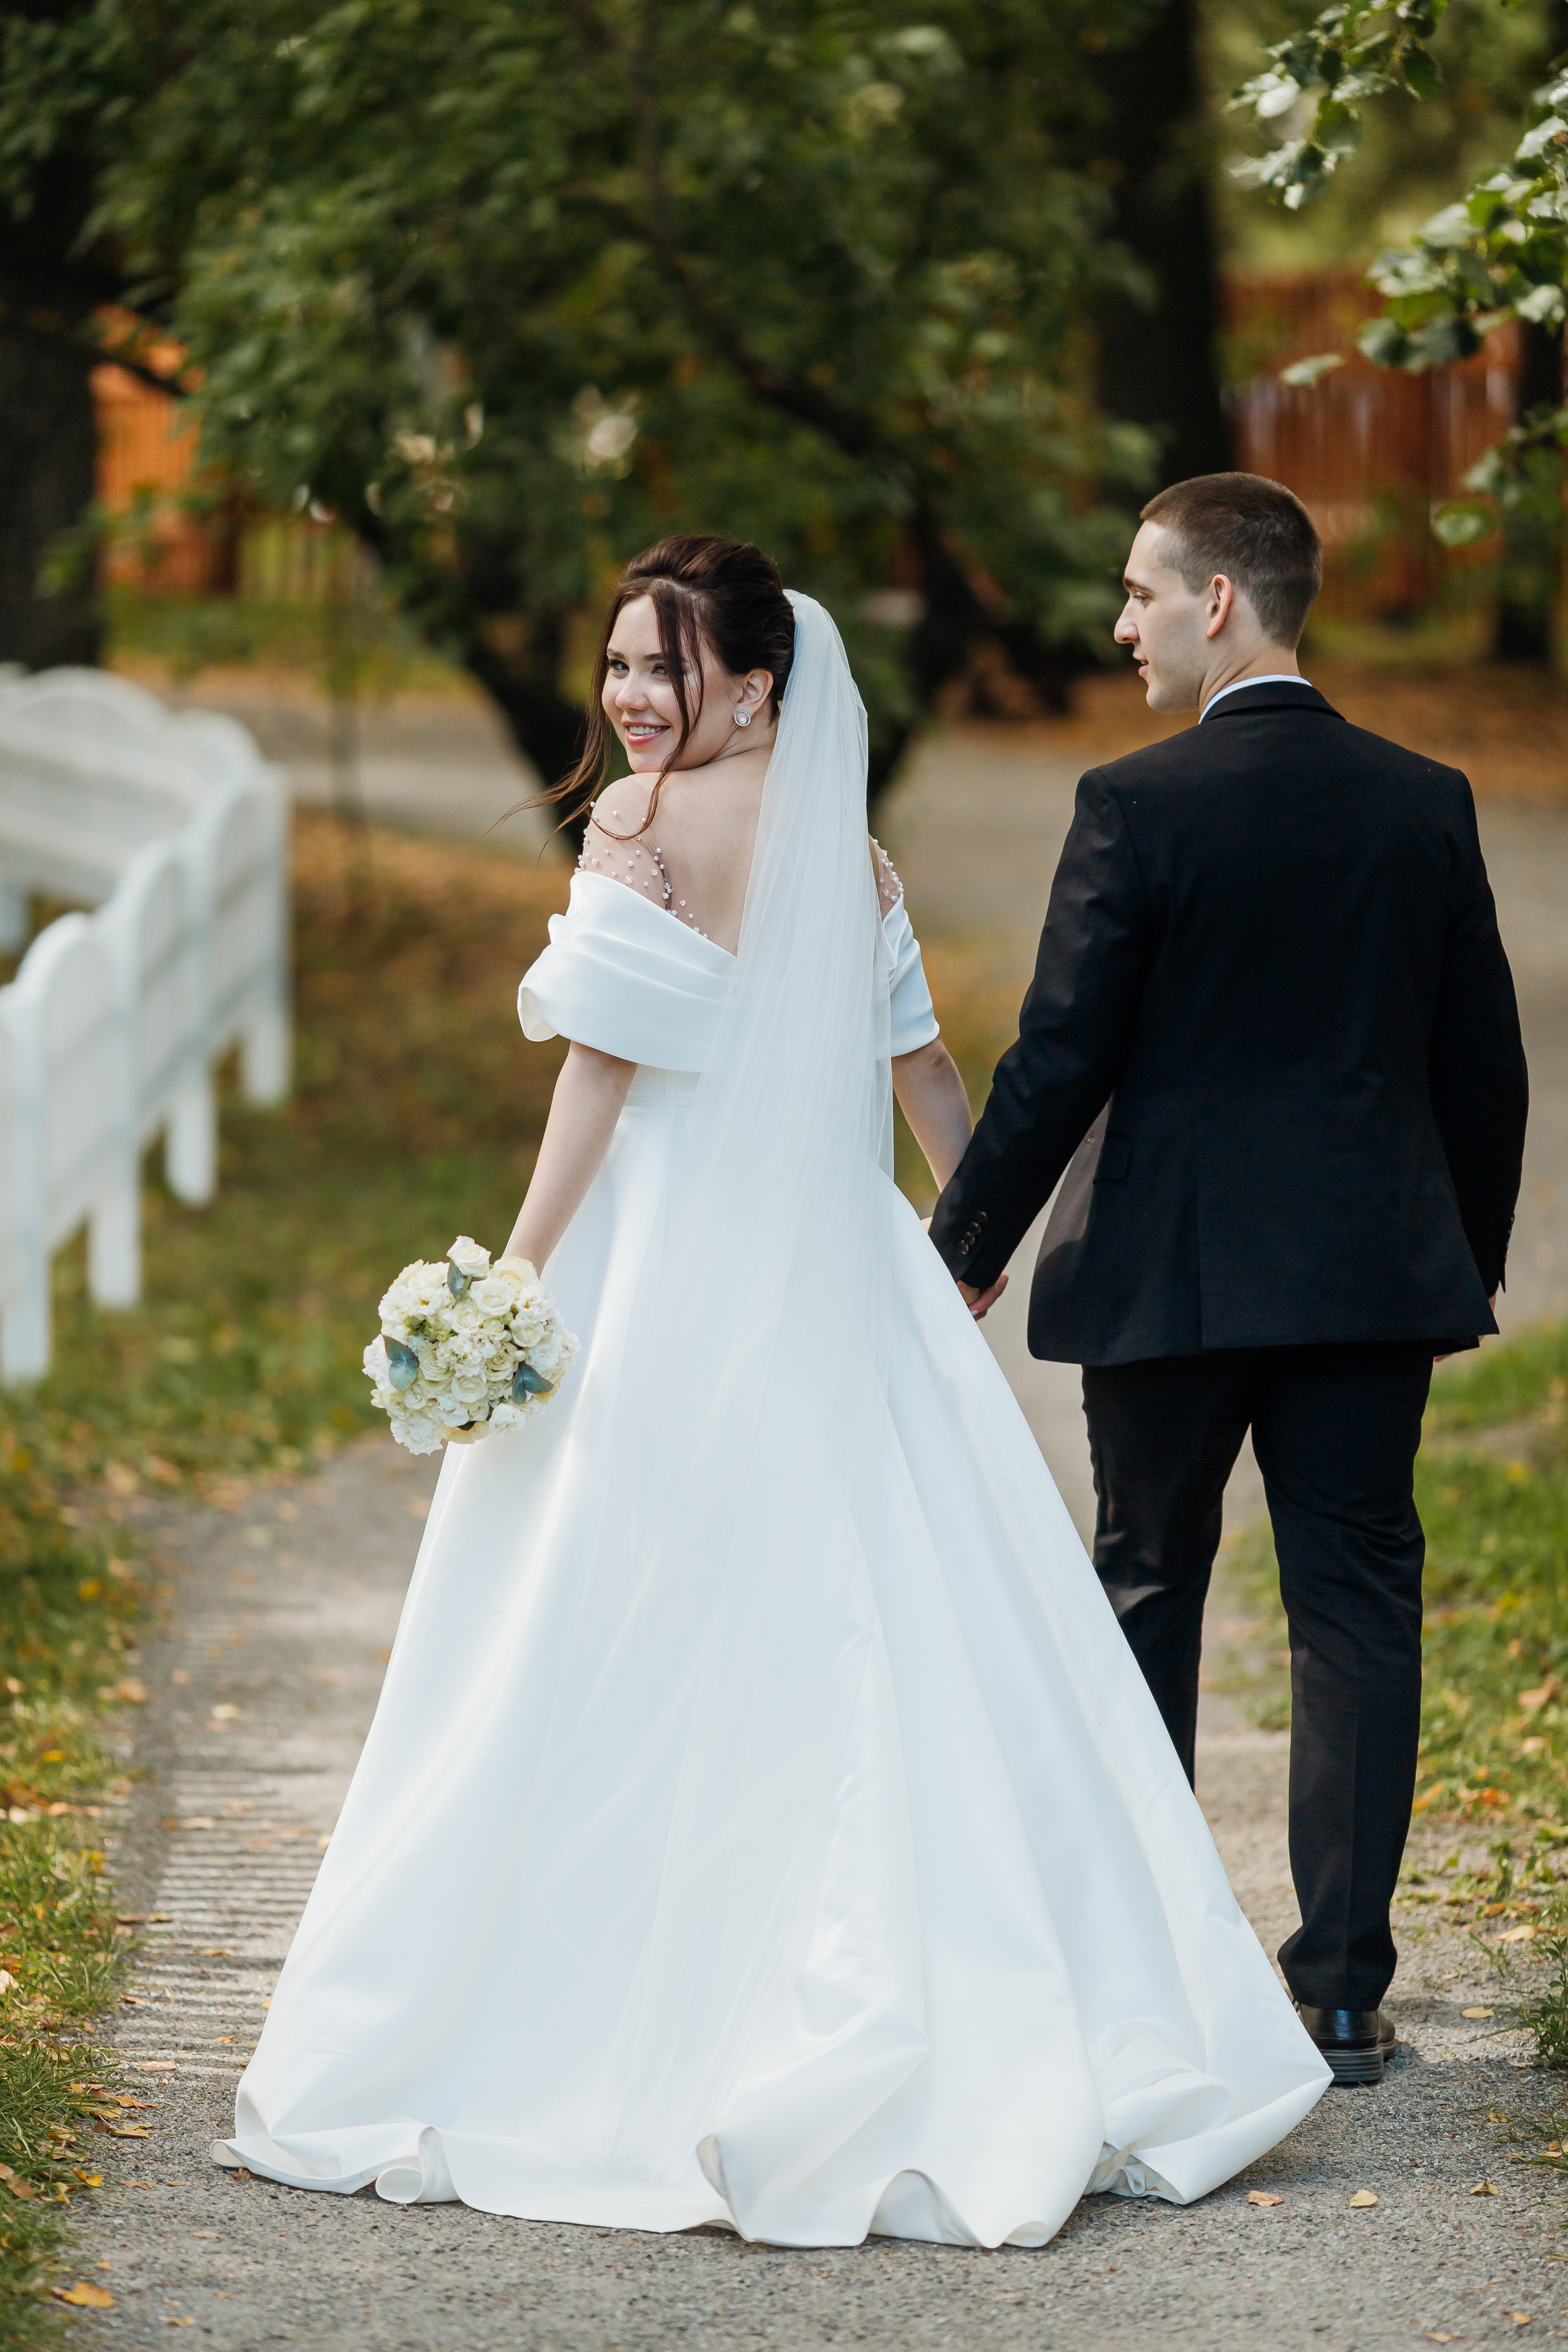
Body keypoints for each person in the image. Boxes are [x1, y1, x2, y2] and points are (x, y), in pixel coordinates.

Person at [216, 535, 1327, 2243]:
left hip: (666, 1269)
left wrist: (511, 1278)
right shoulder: (844, 855)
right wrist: (972, 1235)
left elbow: (599, 1076)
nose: (631, 701)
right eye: (618, 667)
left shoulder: (641, 830)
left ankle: (635, 2021)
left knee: (615, 1615)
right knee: (885, 1605)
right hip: (834, 1269)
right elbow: (920, 1071)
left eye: (665, 668)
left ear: (753, 682)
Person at [929, 474, 1529, 2088]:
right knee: (1354, 1613)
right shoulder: (1424, 800)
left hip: (1168, 1279)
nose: (1118, 623)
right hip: (1360, 1286)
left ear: (1218, 603)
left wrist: (958, 1253)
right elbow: (1488, 1066)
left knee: (1146, 1589)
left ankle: (1148, 1976)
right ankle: (1340, 1991)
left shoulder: (1138, 804)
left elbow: (1059, 1060)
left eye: (1141, 593)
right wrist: (1449, 1262)